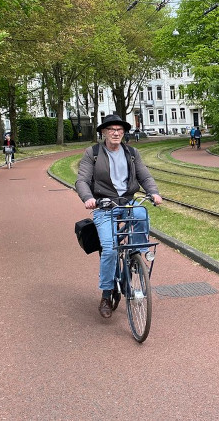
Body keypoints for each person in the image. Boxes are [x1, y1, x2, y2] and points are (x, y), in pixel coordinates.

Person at [75, 114, 163, 319]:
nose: (116, 133)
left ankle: (136, 256)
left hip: (128, 201)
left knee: (141, 213)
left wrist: (154, 192)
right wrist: (88, 198)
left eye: (120, 130)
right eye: (112, 129)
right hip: (104, 205)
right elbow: (82, 180)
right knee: (109, 249)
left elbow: (144, 175)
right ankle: (106, 294)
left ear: (123, 133)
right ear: (104, 132)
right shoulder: (93, 153)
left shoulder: (132, 153)